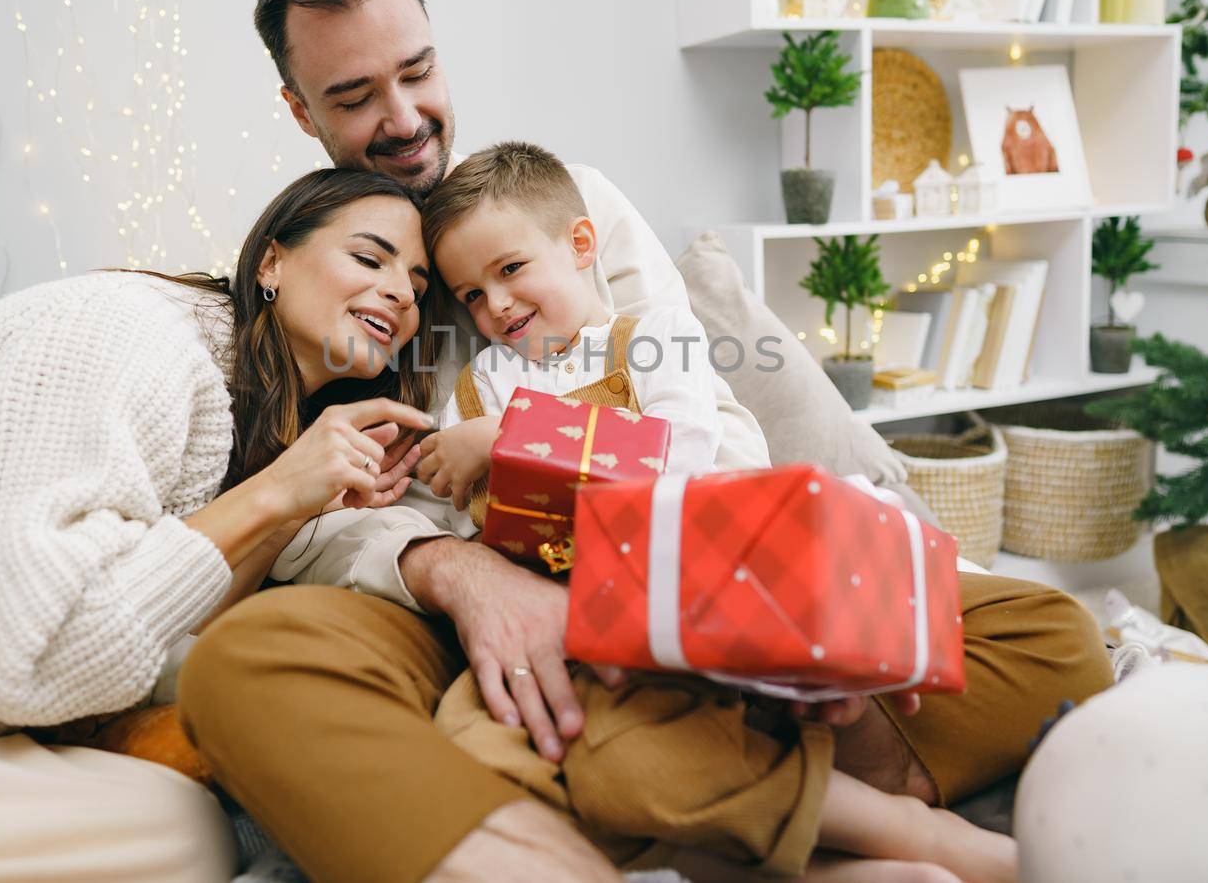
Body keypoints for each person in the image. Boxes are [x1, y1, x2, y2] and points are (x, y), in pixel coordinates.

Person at [177, 0, 1115, 883]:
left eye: (417, 72)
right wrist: (460, 570)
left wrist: (773, 614)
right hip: (490, 615)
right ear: (299, 110)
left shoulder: (562, 204)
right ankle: (786, 818)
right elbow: (314, 517)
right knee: (277, 669)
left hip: (689, 569)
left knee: (1057, 639)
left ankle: (775, 795)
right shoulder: (319, 268)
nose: (405, 116)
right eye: (354, 96)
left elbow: (702, 431)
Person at [0, 169, 438, 881]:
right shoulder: (135, 331)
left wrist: (291, 503)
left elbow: (144, 644)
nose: (399, 293)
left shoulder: (258, 422)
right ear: (271, 260)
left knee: (185, 828)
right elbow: (30, 652)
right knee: (181, 835)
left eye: (418, 289)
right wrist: (274, 493)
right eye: (369, 257)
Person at [409, 140, 1017, 882]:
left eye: (509, 270)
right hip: (559, 627)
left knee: (647, 742)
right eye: (470, 294)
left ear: (579, 245)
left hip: (675, 604)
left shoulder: (652, 340)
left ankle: (910, 833)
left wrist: (509, 439)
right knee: (476, 744)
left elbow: (678, 460)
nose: (496, 304)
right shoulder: (480, 385)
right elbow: (462, 512)